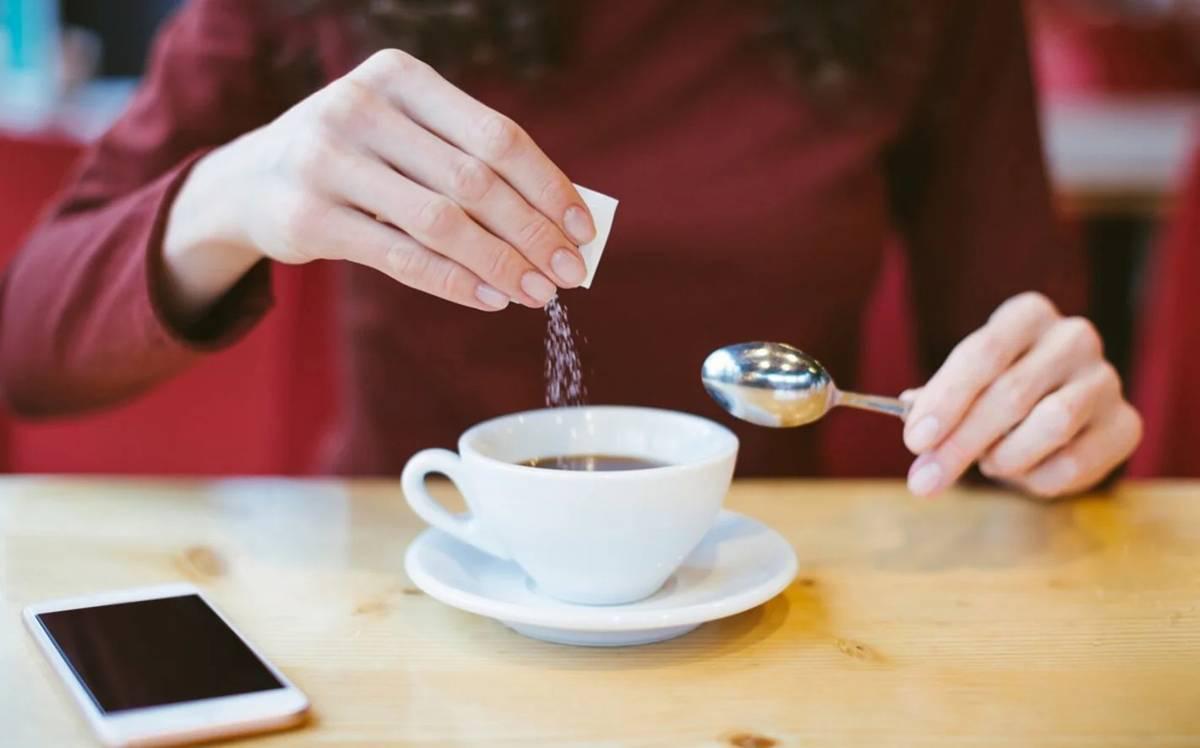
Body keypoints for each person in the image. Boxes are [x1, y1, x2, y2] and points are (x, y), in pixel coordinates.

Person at [0, 0, 1141, 497]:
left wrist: (1044, 418)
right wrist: (236, 191)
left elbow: (1006, 363)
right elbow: (28, 346)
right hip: (405, 582)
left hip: (769, 598)